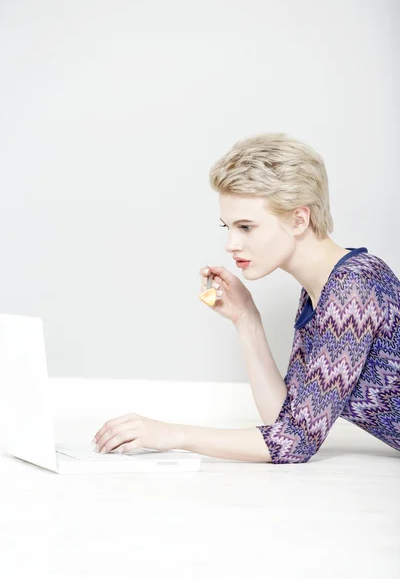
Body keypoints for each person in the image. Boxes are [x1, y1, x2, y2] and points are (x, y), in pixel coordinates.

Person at [92, 133, 400, 464]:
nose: (231, 243)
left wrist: (175, 435)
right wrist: (246, 320)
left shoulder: (352, 287)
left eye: (246, 227)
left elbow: (295, 443)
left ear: (299, 219)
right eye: (227, 226)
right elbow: (283, 423)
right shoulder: (320, 291)